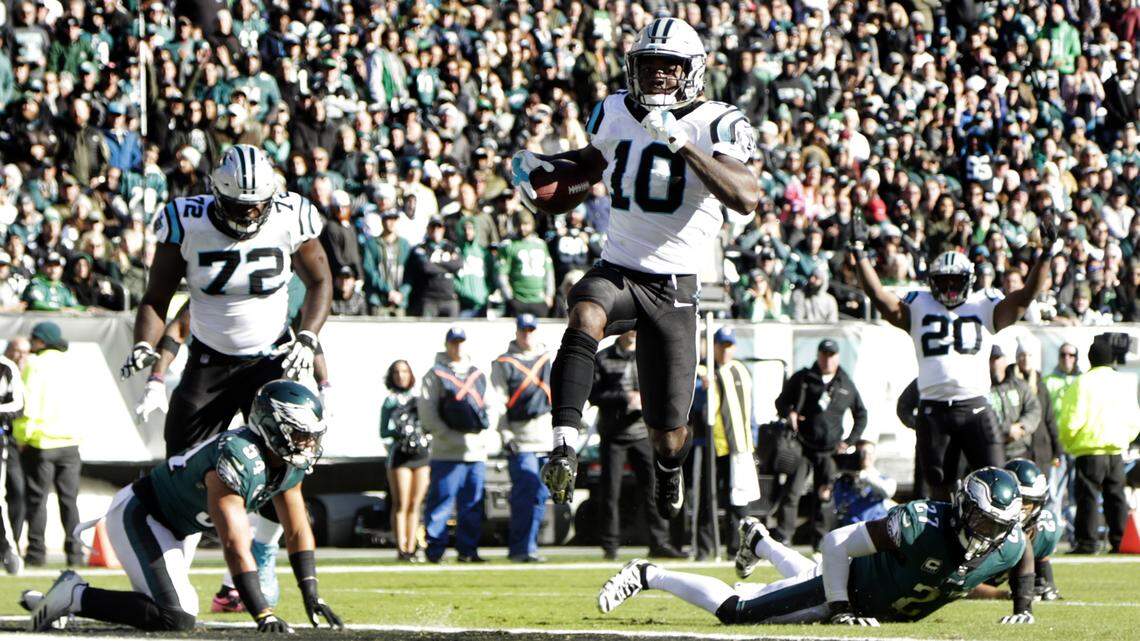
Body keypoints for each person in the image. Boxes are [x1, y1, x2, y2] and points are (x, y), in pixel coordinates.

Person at [514, 16, 760, 520]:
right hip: (620, 269)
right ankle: (563, 441)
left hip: (675, 288)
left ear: (691, 71)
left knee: (667, 430)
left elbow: (746, 196)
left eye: (668, 68)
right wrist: (547, 166)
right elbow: (594, 161)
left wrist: (681, 142)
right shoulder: (613, 111)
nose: (656, 77)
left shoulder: (718, 121)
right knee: (584, 311)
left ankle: (669, 469)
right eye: (648, 66)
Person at [118, 143, 333, 611]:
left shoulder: (290, 214)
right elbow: (157, 297)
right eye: (241, 204)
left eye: (259, 203)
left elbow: (320, 282)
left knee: (290, 461)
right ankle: (171, 572)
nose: (252, 213)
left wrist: (309, 336)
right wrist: (144, 345)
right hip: (210, 362)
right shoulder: (186, 221)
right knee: (181, 470)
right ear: (217, 194)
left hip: (272, 357)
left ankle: (264, 548)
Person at [24, 380, 343, 633]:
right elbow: (234, 542)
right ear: (272, 426)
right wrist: (263, 613)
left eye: (311, 436)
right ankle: (74, 595)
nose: (308, 444)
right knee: (176, 615)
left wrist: (311, 591)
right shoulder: (238, 457)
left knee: (175, 607)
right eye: (300, 434)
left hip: (183, 526)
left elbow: (298, 528)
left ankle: (56, 600)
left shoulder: (287, 462)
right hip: (144, 514)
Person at [598, 468, 1036, 626]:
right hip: (848, 589)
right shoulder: (921, 524)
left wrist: (1024, 604)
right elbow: (835, 543)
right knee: (737, 611)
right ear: (962, 507)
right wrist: (840, 604)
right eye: (981, 519)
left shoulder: (1009, 543)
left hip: (873, 602)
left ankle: (759, 541)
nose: (986, 531)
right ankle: (647, 573)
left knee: (803, 575)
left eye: (997, 524)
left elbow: (1022, 554)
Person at [852, 214, 1056, 499]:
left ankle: (1009, 544)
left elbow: (1025, 297)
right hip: (934, 411)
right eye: (943, 281)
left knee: (1000, 491)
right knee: (938, 495)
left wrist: (1046, 254)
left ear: (968, 281)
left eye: (954, 281)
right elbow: (876, 294)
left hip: (974, 408)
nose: (949, 289)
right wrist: (859, 253)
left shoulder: (984, 303)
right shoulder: (919, 304)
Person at [590, 330, 682, 560]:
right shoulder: (602, 358)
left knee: (653, 489)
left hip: (643, 433)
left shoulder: (649, 355)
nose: (633, 333)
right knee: (610, 492)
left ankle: (660, 542)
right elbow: (593, 394)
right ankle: (610, 547)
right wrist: (625, 398)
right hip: (613, 434)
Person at [773, 339, 867, 549]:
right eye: (824, 354)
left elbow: (861, 415)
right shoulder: (804, 378)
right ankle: (784, 537)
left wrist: (849, 441)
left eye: (831, 355)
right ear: (818, 355)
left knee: (825, 495)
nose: (827, 359)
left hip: (830, 450)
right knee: (792, 492)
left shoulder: (845, 383)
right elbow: (780, 402)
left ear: (838, 357)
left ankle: (822, 541)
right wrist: (790, 414)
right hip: (803, 446)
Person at [419, 327, 499, 563]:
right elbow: (427, 410)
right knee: (441, 503)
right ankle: (434, 550)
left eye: (461, 342)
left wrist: (485, 435)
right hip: (446, 452)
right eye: (454, 342)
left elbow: (491, 406)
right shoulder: (434, 374)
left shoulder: (478, 373)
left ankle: (468, 550)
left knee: (472, 505)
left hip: (475, 451)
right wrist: (445, 434)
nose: (458, 347)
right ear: (447, 345)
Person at [1056, 335, 1140, 553]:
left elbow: (1071, 419)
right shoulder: (1123, 382)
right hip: (1116, 450)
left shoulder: (1082, 383)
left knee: (1088, 497)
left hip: (1089, 449)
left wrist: (1069, 441)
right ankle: (1120, 541)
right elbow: (1134, 418)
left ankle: (1088, 542)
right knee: (1116, 496)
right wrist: (1125, 438)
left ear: (1089, 359)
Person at [13, 322, 83, 568]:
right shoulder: (71, 364)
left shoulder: (35, 365)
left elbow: (27, 404)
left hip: (41, 442)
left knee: (37, 500)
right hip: (71, 442)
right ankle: (75, 554)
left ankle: (36, 554)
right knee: (69, 501)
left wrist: (22, 437)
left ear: (41, 341)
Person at [691, 327, 760, 558]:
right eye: (722, 346)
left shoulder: (741, 371)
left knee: (738, 499)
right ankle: (704, 547)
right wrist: (704, 388)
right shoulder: (701, 370)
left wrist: (753, 438)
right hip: (709, 443)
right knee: (706, 498)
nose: (725, 351)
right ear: (714, 347)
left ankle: (737, 547)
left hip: (737, 445)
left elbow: (749, 410)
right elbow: (693, 403)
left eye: (729, 346)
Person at [491, 314, 553, 563]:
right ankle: (520, 548)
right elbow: (497, 402)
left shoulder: (549, 358)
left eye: (531, 330)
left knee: (540, 494)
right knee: (525, 492)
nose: (527, 334)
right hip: (520, 437)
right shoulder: (504, 363)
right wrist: (505, 433)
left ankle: (530, 546)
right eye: (523, 330)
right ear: (516, 332)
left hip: (546, 437)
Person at [969, 459, 1063, 603]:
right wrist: (1003, 594)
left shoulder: (1043, 529)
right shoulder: (984, 529)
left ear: (1038, 504)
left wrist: (1046, 584)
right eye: (1018, 499)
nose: (1021, 507)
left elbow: (1042, 556)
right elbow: (961, 585)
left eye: (1027, 501)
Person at [379, 359, 431, 563]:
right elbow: (383, 430)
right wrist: (401, 432)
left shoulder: (418, 399)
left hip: (421, 455)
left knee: (415, 503)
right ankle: (401, 548)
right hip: (400, 455)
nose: (401, 376)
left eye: (405, 371)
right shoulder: (390, 401)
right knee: (401, 503)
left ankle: (413, 545)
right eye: (397, 372)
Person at [988, 346, 1041, 461]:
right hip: (994, 453)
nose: (994, 363)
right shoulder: (981, 389)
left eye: (997, 358)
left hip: (1021, 451)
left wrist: (1021, 427)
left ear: (1005, 360)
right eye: (990, 359)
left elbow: (1034, 409)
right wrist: (1006, 431)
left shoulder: (1019, 385)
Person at [498, 211, 555, 317]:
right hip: (518, 299)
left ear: (532, 224)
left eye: (526, 224)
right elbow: (502, 273)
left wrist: (549, 295)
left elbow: (549, 271)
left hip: (539, 299)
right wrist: (509, 297)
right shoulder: (509, 245)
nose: (522, 228)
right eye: (519, 224)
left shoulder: (540, 244)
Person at [405, 217, 462, 318]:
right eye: (433, 227)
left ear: (443, 229)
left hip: (449, 298)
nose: (436, 230)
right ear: (428, 229)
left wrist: (436, 262)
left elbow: (457, 265)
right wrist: (448, 267)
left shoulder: (451, 247)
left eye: (439, 227)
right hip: (429, 299)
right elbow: (426, 267)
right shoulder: (421, 248)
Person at [832, 441, 897, 527]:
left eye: (868, 453)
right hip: (850, 531)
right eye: (860, 453)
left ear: (875, 455)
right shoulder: (845, 480)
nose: (865, 456)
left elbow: (887, 492)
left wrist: (864, 476)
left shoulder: (884, 480)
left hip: (874, 530)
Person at [0, 339, 23, 574]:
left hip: (1, 441)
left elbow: (18, 405)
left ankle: (9, 551)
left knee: (2, 496)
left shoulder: (5, 367)